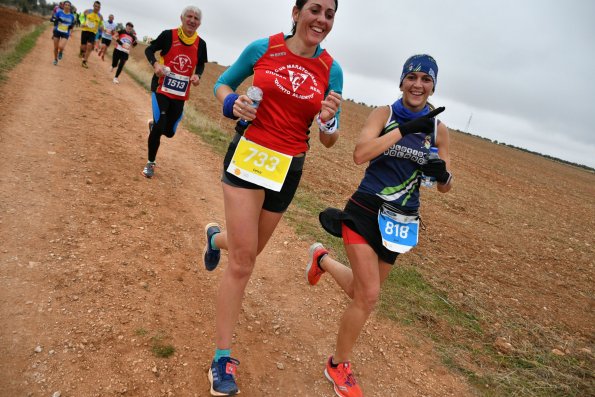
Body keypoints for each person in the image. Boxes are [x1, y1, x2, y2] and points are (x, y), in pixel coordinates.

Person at [202, 0, 343, 395]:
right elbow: (222, 83)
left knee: (249, 250)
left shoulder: (332, 70)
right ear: (296, 13)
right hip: (248, 157)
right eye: (315, 9)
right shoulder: (262, 49)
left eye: (330, 14)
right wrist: (233, 103)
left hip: (289, 168)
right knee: (244, 263)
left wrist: (329, 122)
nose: (322, 19)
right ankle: (221, 360)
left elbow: (330, 139)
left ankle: (214, 238)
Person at [304, 54, 452, 396]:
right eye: (411, 77)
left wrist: (443, 176)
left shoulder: (439, 130)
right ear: (401, 81)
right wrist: (403, 130)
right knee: (369, 296)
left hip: (402, 221)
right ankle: (337, 365)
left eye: (425, 79)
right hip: (365, 208)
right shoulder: (384, 114)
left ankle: (322, 259)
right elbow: (360, 153)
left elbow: (445, 184)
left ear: (433, 86)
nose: (418, 84)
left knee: (360, 291)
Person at [142, 6, 207, 178]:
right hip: (161, 87)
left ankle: (154, 126)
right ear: (182, 18)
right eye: (189, 16)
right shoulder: (168, 35)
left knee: (169, 132)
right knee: (160, 125)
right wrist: (156, 65)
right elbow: (149, 50)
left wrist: (197, 76)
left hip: (180, 93)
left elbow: (200, 64)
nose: (192, 21)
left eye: (196, 18)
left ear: (199, 23)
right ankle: (150, 163)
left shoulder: (201, 44)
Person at [50, 0, 75, 65]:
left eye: (68, 5)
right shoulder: (59, 13)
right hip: (57, 31)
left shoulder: (72, 16)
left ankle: (61, 51)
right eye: (66, 5)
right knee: (55, 47)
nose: (67, 6)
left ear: (70, 7)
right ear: (63, 6)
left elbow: (72, 25)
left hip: (65, 33)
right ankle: (55, 59)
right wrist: (57, 20)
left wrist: (71, 31)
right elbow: (53, 19)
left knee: (60, 46)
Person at [79, 1, 103, 68]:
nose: (97, 8)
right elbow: (81, 17)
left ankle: (84, 62)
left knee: (89, 46)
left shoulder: (100, 16)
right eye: (95, 6)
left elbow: (101, 24)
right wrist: (82, 22)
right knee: (83, 47)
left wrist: (101, 27)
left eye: (98, 7)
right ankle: (82, 52)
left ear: (100, 8)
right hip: (85, 31)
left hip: (93, 33)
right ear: (93, 6)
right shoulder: (87, 11)